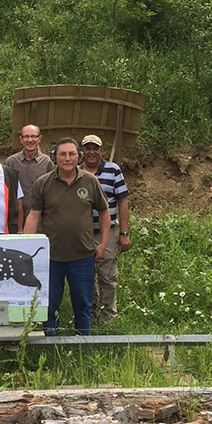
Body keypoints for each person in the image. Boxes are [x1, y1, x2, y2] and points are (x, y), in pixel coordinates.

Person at [24, 138, 110, 335]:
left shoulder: (90, 181)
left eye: (72, 154)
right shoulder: (43, 183)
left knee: (83, 304)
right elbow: (34, 216)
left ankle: (83, 343)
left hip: (83, 256)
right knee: (49, 305)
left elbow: (104, 211)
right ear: (55, 158)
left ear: (79, 156)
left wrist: (103, 244)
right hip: (51, 258)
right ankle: (51, 344)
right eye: (62, 154)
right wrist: (26, 247)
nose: (67, 158)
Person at [80, 134, 131, 323]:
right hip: (82, 232)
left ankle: (108, 315)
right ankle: (91, 312)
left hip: (106, 231)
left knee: (107, 272)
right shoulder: (76, 171)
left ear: (101, 150)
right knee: (85, 273)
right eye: (88, 148)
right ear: (82, 151)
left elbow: (123, 201)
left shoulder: (113, 170)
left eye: (95, 148)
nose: (91, 152)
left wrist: (124, 233)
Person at [5, 124, 54, 218]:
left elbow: (51, 192)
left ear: (39, 139)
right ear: (21, 139)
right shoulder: (11, 162)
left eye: (33, 136)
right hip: (16, 217)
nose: (30, 140)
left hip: (40, 217)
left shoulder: (47, 162)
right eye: (26, 136)